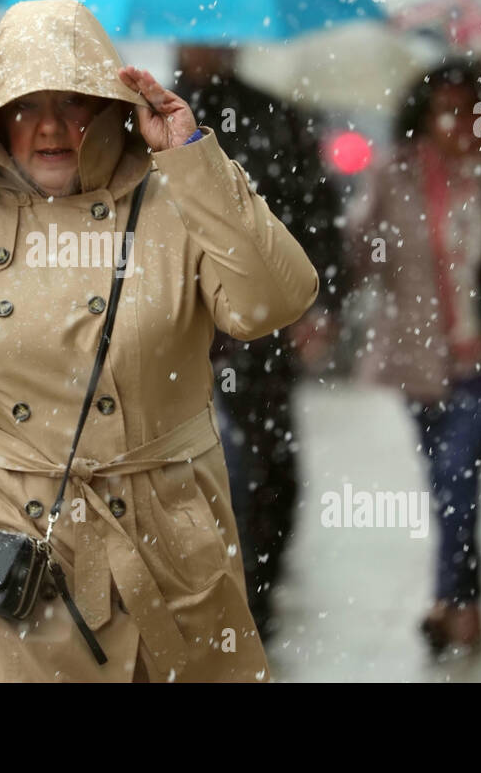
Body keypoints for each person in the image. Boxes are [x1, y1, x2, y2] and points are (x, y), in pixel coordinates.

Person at [0, 0, 320, 682]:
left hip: (165, 549)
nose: (52, 128)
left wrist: (193, 158)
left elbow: (275, 300)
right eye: (26, 105)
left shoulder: (173, 195)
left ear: (110, 106)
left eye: (75, 102)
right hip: (9, 565)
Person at [347, 60, 481, 653]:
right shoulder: (398, 175)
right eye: (446, 110)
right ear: (424, 117)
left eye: (470, 110)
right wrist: (369, 231)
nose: (460, 123)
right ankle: (469, 604)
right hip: (420, 359)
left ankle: (445, 601)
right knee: (447, 487)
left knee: (456, 474)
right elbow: (363, 255)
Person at [174, 44, 345, 642]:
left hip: (257, 322)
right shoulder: (144, 120)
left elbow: (315, 212)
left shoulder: (275, 118)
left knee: (266, 461)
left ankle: (253, 585)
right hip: (178, 316)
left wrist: (318, 303)